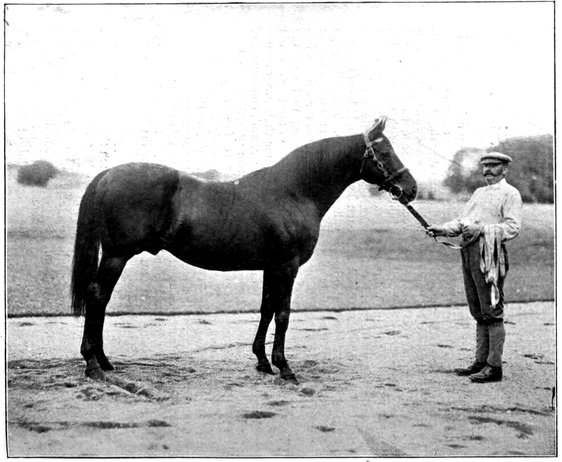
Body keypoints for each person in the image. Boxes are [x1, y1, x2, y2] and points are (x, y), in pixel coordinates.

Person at [426, 152, 522, 383]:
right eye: (485, 166)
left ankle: (494, 366)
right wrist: (443, 229)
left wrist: (482, 230)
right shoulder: (479, 193)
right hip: (469, 252)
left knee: (492, 309)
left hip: (490, 254)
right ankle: (481, 361)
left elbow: (512, 227)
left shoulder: (511, 193)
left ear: (504, 169)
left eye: (493, 166)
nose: (487, 170)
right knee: (478, 309)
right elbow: (464, 221)